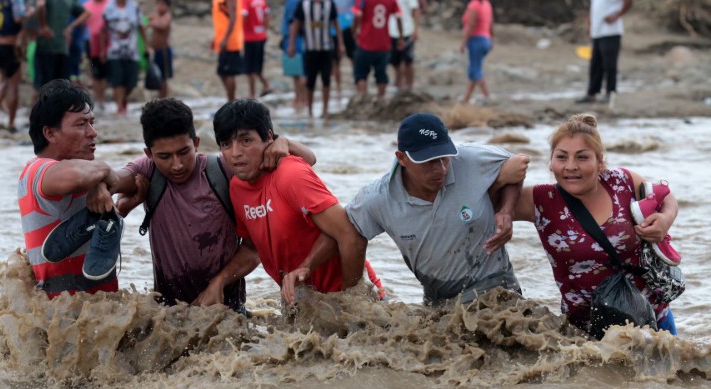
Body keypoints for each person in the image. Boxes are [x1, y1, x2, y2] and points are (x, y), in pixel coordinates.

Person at [112, 97, 318, 311]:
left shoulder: (224, 172)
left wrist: (283, 141)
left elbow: (253, 248)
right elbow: (113, 179)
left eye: (184, 152)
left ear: (197, 143)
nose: (177, 165)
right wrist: (107, 193)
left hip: (229, 312)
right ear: (149, 154)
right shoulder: (148, 172)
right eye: (164, 156)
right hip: (168, 315)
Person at [512, 113, 678, 335]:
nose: (570, 166)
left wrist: (664, 220)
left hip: (653, 320)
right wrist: (506, 178)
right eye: (561, 157)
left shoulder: (622, 182)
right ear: (551, 163)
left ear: (600, 163)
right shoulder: (541, 200)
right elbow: (481, 207)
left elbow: (665, 197)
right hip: (585, 332)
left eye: (582, 157)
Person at [346, 112, 529, 306]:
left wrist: (506, 211)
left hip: (496, 288)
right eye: (429, 162)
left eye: (444, 158)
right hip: (437, 299)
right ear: (402, 158)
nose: (441, 169)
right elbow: (347, 233)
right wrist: (355, 297)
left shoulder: (470, 158)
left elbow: (517, 166)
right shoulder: (378, 198)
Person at [212, 99, 367, 305]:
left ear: (268, 138)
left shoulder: (290, 174)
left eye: (246, 140)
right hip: (305, 306)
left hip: (343, 299)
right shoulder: (237, 187)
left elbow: (351, 235)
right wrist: (218, 282)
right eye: (226, 144)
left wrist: (351, 305)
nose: (235, 153)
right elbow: (252, 249)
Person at [18, 79, 121, 297]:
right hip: (61, 317)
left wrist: (100, 182)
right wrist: (102, 172)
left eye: (92, 123)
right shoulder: (37, 171)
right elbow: (78, 175)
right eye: (81, 124)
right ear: (50, 133)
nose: (92, 132)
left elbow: (129, 179)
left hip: (102, 316)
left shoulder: (85, 171)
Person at [288, 0, 343, 118]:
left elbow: (336, 23)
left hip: (326, 47)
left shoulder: (329, 4)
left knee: (326, 79)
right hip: (310, 48)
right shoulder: (304, 4)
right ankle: (310, 111)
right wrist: (291, 44)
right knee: (310, 79)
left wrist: (340, 43)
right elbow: (296, 23)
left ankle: (325, 109)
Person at [575, 0, 633, 107]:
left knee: (609, 64)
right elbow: (595, 9)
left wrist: (617, 15)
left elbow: (628, 1)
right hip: (597, 32)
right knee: (595, 64)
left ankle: (610, 93)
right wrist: (589, 24)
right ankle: (592, 93)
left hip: (611, 32)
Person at [0, 0, 28, 131]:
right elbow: (18, 18)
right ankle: (11, 123)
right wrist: (29, 14)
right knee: (13, 85)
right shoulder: (15, 1)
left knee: (4, 79)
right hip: (10, 46)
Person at [34, 0, 89, 96]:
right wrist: (70, 28)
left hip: (46, 45)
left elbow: (40, 5)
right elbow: (87, 13)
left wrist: (43, 26)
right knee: (62, 87)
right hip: (63, 47)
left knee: (43, 87)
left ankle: (41, 109)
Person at [100, 0, 145, 115]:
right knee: (117, 80)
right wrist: (102, 49)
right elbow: (103, 30)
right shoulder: (109, 8)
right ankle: (120, 107)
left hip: (132, 51)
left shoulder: (134, 7)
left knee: (131, 82)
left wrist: (146, 45)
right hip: (114, 51)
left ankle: (123, 99)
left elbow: (141, 26)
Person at [352, 0, 402, 99]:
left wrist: (354, 30)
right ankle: (380, 99)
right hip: (383, 44)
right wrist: (401, 36)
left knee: (361, 74)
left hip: (365, 43)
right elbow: (399, 16)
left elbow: (357, 14)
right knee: (381, 75)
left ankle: (362, 99)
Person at [459, 0, 493, 104]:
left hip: (476, 40)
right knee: (473, 69)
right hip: (486, 39)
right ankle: (466, 99)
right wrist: (492, 39)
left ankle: (487, 96)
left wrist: (463, 42)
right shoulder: (487, 3)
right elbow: (491, 23)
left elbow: (471, 24)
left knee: (475, 70)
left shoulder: (474, 5)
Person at [211, 0, 244, 101]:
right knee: (222, 72)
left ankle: (231, 100)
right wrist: (216, 38)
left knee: (229, 72)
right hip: (222, 39)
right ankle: (231, 98)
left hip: (231, 41)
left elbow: (233, 17)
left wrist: (225, 38)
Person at [241, 0, 271, 99]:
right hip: (260, 36)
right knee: (257, 65)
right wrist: (265, 30)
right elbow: (267, 15)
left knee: (250, 67)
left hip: (249, 37)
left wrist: (239, 30)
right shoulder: (261, 1)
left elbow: (244, 15)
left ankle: (252, 93)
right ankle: (267, 85)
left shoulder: (245, 1)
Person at [280, 0, 306, 111]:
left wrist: (291, 43)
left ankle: (301, 99)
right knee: (297, 72)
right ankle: (299, 98)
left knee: (298, 71)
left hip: (295, 39)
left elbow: (293, 23)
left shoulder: (292, 2)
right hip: (297, 38)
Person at [83, 0, 109, 108]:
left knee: (105, 74)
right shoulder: (86, 6)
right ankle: (99, 100)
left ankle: (101, 99)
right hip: (91, 44)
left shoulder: (110, 4)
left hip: (108, 43)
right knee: (95, 72)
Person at [389, 0, 418, 91]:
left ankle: (409, 86)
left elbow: (415, 9)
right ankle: (399, 85)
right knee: (395, 61)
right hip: (391, 31)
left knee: (408, 60)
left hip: (407, 30)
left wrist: (416, 29)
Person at [148, 0, 172, 98]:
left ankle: (163, 98)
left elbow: (162, 25)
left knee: (163, 78)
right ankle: (160, 97)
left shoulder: (167, 16)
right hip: (156, 51)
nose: (159, 6)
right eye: (158, 4)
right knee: (158, 77)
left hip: (164, 51)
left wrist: (151, 21)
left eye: (162, 4)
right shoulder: (158, 17)